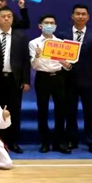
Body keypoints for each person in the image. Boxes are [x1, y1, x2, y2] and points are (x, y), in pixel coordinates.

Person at [59, 4, 92, 155]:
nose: (80, 16)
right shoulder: (63, 35)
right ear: (72, 16)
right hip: (68, 79)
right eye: (77, 13)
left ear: (88, 17)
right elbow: (57, 57)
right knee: (70, 112)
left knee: (90, 112)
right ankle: (71, 140)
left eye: (83, 14)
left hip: (88, 80)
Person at [0, 7, 30, 154]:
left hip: (14, 79)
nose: (7, 19)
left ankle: (14, 142)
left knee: (14, 111)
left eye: (9, 16)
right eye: (3, 16)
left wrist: (26, 80)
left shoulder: (21, 37)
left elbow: (25, 60)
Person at [29, 14, 72, 154]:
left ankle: (59, 142)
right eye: (46, 23)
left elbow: (67, 65)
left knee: (61, 110)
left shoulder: (61, 43)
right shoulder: (34, 43)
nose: (49, 25)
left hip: (59, 77)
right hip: (42, 77)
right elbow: (34, 66)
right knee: (43, 110)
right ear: (40, 26)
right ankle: (45, 142)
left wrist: (67, 65)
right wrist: (37, 55)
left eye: (52, 23)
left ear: (55, 26)